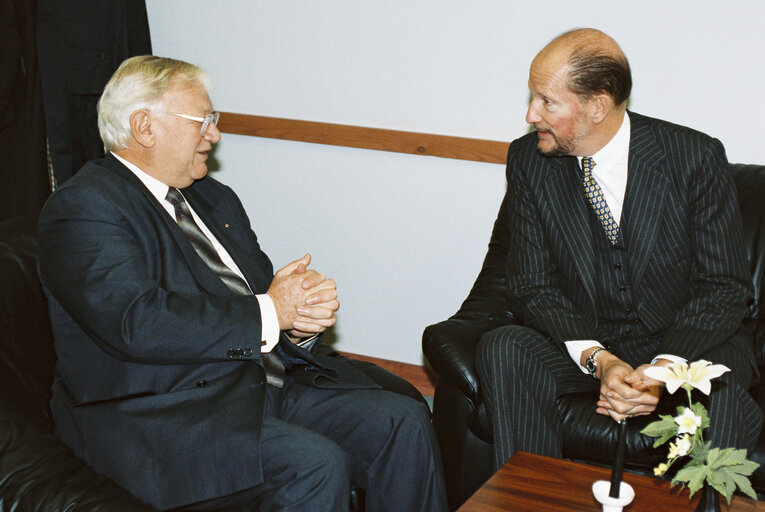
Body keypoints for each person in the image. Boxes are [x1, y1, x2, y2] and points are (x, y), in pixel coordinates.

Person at [37, 55, 447, 512]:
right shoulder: (85, 208)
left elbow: (257, 304)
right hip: (161, 415)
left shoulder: (214, 199)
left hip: (251, 385)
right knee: (313, 464)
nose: (214, 134)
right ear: (144, 126)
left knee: (401, 419)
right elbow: (138, 323)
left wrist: (297, 324)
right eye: (203, 121)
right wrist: (272, 311)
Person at [476, 28, 762, 471]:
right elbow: (532, 286)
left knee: (716, 391)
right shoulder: (529, 161)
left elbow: (724, 287)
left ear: (598, 105)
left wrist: (663, 370)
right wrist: (601, 361)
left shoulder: (693, 157)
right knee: (505, 346)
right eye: (533, 97)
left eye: (547, 101)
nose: (531, 113)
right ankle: (531, 496)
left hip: (688, 339)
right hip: (592, 338)